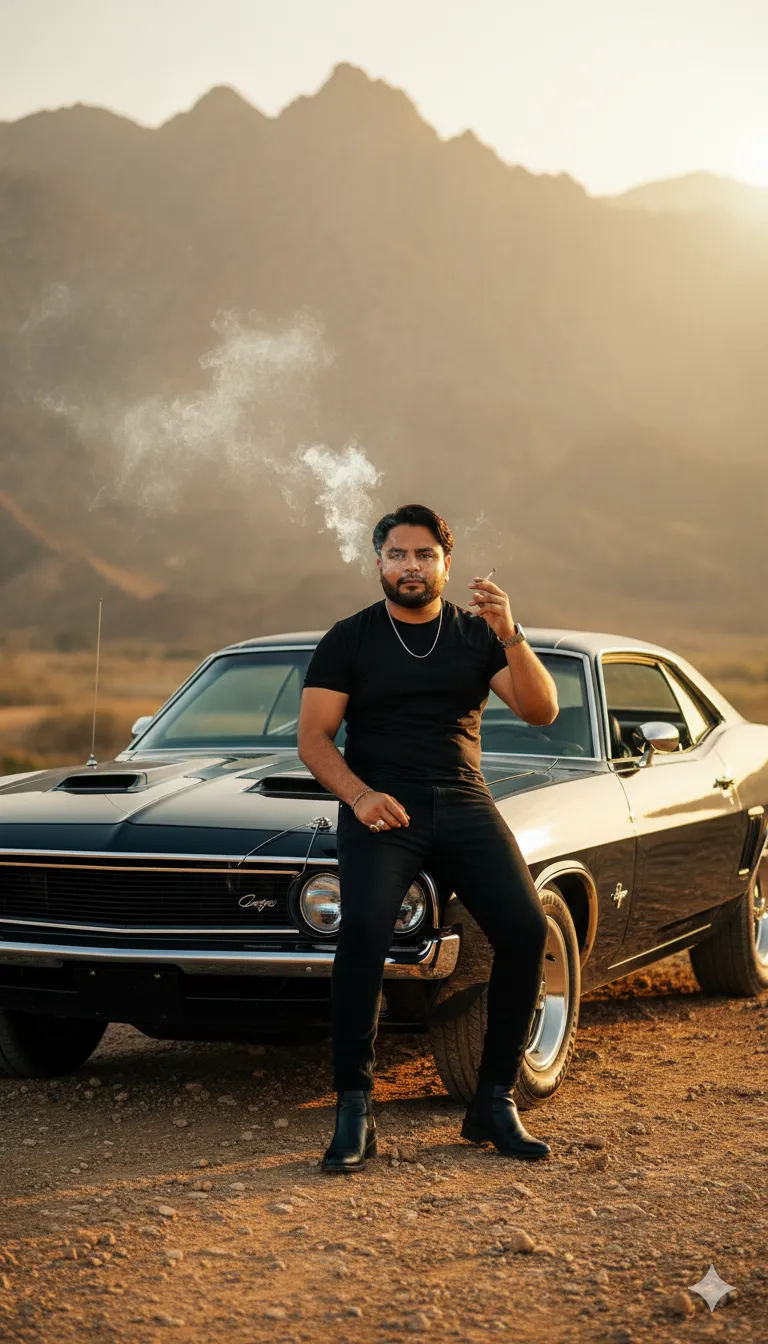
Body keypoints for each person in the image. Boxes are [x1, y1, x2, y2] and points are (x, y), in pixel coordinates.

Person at [297, 503, 559, 1172]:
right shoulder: (350, 639)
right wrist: (358, 796)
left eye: (424, 556)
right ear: (379, 563)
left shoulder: (478, 635)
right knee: (362, 936)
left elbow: (540, 710)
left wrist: (512, 633)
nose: (411, 566)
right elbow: (314, 738)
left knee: (526, 931)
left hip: (465, 801)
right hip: (383, 804)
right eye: (398, 555)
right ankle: (356, 1105)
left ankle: (493, 1100)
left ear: (446, 563)